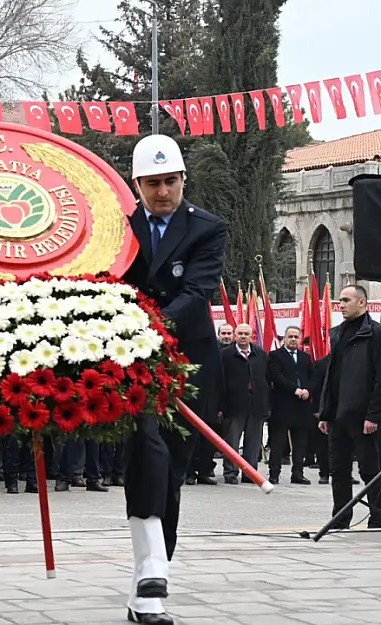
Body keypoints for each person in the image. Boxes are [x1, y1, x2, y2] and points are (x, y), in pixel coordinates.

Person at [120, 134, 227, 625]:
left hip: (185, 355)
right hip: (127, 357)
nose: (161, 192)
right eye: (151, 183)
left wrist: (150, 327)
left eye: (169, 182)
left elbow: (197, 291)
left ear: (183, 179)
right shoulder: (118, 225)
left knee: (174, 468)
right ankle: (150, 573)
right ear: (136, 184)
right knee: (146, 451)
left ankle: (152, 581)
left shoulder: (208, 228)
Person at [318, 284, 381, 529]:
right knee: (338, 470)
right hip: (338, 415)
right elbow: (332, 376)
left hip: (364, 416)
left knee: (370, 470)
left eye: (346, 300)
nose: (341, 305)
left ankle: (379, 519)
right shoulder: (337, 333)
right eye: (340, 300)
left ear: (362, 303)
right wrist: (325, 413)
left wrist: (373, 415)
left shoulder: (377, 333)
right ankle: (340, 519)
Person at [219, 324, 270, 484]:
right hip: (234, 405)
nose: (242, 336)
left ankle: (250, 474)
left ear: (251, 336)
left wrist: (267, 405)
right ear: (235, 335)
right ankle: (231, 473)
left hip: (256, 405)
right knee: (232, 442)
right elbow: (219, 381)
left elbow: (266, 381)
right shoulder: (225, 355)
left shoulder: (260, 355)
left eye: (246, 334)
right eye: (240, 333)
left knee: (253, 442)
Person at [267, 326, 315, 485]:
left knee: (300, 442)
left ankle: (298, 473)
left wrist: (308, 390)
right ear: (284, 339)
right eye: (290, 336)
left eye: (296, 337)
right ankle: (274, 473)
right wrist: (294, 390)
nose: (293, 339)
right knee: (278, 442)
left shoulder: (305, 357)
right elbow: (276, 376)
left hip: (302, 406)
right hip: (283, 404)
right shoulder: (275, 356)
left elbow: (311, 377)